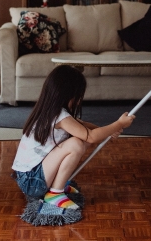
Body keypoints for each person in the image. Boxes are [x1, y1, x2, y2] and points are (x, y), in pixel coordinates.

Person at [12, 65, 135, 209]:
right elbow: (91, 137)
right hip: (32, 181)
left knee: (80, 137)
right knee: (76, 143)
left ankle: (55, 185)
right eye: (78, 95)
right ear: (68, 93)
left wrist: (108, 131)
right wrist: (118, 123)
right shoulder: (60, 116)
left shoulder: (50, 110)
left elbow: (82, 126)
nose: (79, 100)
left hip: (30, 177)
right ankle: (55, 193)